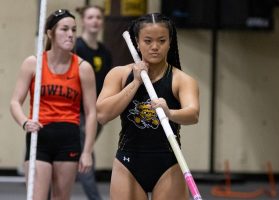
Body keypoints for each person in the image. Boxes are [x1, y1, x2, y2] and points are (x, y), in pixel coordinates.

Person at [96, 13, 200, 200]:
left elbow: (193, 114)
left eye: (161, 40)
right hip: (128, 162)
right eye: (148, 40)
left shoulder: (181, 80)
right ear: (137, 42)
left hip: (168, 163)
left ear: (170, 42)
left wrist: (169, 112)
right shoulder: (119, 74)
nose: (154, 47)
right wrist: (135, 83)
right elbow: (102, 115)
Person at [10, 9, 97, 200]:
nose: (70, 34)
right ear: (50, 33)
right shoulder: (33, 64)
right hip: (39, 136)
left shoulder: (83, 68)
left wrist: (87, 151)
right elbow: (15, 102)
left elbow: (91, 113)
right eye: (64, 29)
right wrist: (25, 122)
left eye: (74, 30)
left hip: (69, 139)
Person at [74, 5, 112, 200]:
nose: (95, 21)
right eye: (90, 17)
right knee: (86, 155)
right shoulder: (75, 48)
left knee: (76, 155)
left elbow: (109, 85)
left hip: (97, 115)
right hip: (76, 114)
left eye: (98, 17)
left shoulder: (105, 53)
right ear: (83, 21)